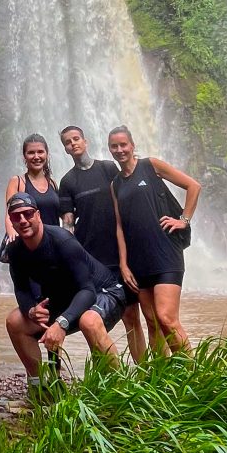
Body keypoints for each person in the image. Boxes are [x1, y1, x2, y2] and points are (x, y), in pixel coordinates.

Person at [4, 191, 131, 380]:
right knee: (15, 321)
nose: (23, 220)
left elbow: (87, 290)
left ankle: (118, 384)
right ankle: (41, 385)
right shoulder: (15, 250)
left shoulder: (62, 241)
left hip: (103, 292)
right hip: (65, 297)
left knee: (88, 321)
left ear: (38, 215)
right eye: (16, 217)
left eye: (28, 214)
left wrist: (62, 322)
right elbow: (22, 289)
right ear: (11, 221)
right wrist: (31, 310)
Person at [108, 125, 200, 356]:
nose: (120, 150)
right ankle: (163, 373)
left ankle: (192, 370)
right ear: (109, 150)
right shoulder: (115, 184)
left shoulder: (151, 165)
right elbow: (119, 226)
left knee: (166, 318)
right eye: (114, 146)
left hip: (166, 253)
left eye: (123, 145)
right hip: (139, 261)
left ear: (132, 145)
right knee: (152, 322)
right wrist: (123, 264)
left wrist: (183, 220)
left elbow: (193, 186)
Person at [58, 124, 147, 362]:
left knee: (132, 317)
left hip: (121, 255)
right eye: (68, 142)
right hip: (93, 261)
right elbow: (68, 224)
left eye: (76, 139)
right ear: (65, 149)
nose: (73, 144)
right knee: (93, 319)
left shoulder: (108, 168)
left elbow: (125, 198)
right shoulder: (67, 181)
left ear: (85, 141)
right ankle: (104, 372)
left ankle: (144, 372)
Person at [3, 133, 62, 244]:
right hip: (29, 245)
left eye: (40, 152)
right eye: (31, 153)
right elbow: (9, 216)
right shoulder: (17, 182)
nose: (36, 156)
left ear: (47, 154)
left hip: (54, 244)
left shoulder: (52, 183)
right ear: (24, 156)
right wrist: (13, 239)